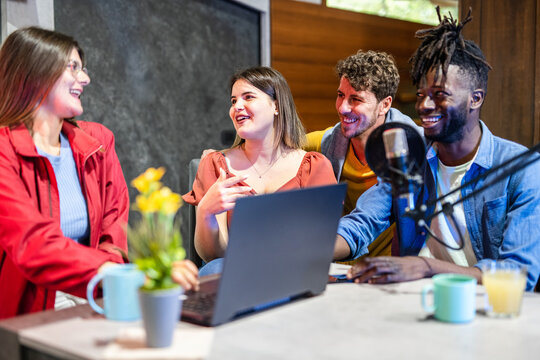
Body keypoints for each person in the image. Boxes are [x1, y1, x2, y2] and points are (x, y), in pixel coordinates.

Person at [336, 9, 540, 291]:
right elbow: (361, 224)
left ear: (475, 99)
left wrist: (426, 266)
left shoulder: (522, 168)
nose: (424, 106)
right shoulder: (408, 158)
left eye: (440, 95)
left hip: (479, 310)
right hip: (411, 302)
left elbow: (518, 274)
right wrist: (304, 250)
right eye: (421, 95)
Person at [0, 27, 197, 319]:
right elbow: (32, 242)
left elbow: (113, 227)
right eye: (73, 67)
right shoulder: (5, 150)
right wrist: (124, 275)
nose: (85, 79)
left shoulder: (98, 143)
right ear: (34, 71)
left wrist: (120, 280)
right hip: (25, 312)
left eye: (84, 69)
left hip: (96, 292)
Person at [183, 66, 336, 273]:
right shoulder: (216, 164)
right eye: (234, 100)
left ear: (277, 106)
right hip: (236, 273)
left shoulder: (314, 167)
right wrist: (205, 211)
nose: (237, 106)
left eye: (248, 97)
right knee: (214, 270)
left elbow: (322, 245)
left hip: (295, 272)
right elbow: (214, 256)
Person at [304, 50, 420, 259]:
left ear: (385, 105)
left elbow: (369, 218)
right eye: (340, 95)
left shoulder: (410, 148)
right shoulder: (325, 143)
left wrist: (308, 250)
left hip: (391, 271)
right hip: (338, 269)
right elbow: (272, 148)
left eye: (356, 99)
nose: (343, 108)